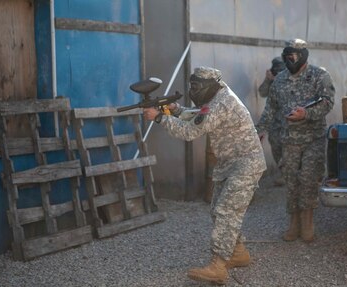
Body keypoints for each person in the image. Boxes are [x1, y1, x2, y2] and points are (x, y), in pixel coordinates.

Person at [143, 66, 266, 285]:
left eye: (196, 86)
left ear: (209, 86)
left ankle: (218, 266)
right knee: (218, 210)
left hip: (246, 164)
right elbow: (199, 115)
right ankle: (237, 252)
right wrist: (175, 108)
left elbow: (190, 131)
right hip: (230, 163)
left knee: (226, 210)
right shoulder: (218, 96)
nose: (193, 90)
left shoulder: (221, 103)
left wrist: (159, 118)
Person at [256, 38, 335, 243]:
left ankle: (307, 223)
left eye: (295, 56)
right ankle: (294, 223)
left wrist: (306, 114)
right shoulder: (280, 80)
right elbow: (271, 108)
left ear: (304, 55)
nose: (291, 60)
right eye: (287, 56)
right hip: (289, 139)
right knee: (291, 180)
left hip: (313, 138)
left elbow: (327, 103)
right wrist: (260, 129)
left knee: (308, 179)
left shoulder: (319, 76)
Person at [258, 57, 287, 186]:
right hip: (274, 121)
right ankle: (283, 173)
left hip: (288, 120)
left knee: (288, 148)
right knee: (275, 146)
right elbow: (262, 92)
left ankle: (290, 174)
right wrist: (268, 80)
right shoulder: (271, 77)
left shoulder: (290, 78)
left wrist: (278, 80)